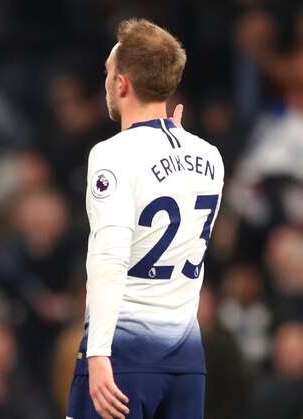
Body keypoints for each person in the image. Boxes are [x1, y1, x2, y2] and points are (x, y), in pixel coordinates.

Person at [66, 19, 224, 419]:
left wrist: (98, 354)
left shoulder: (111, 153)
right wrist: (175, 143)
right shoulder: (211, 157)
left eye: (107, 72)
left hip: (124, 356)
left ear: (122, 84)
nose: (105, 81)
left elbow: (111, 256)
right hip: (188, 361)